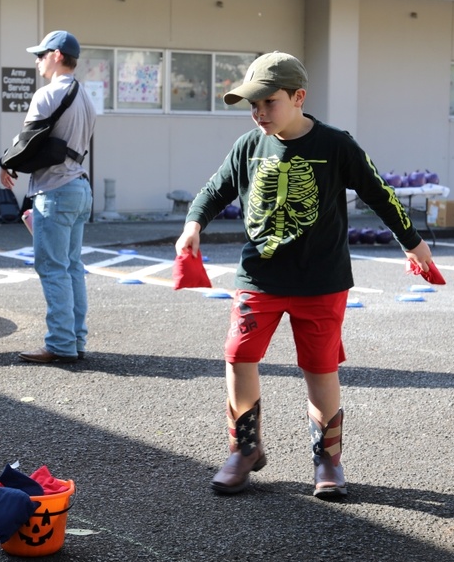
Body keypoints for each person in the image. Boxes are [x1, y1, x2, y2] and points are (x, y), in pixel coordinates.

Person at [174, 51, 434, 499]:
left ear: (298, 97)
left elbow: (378, 191)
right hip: (259, 276)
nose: (258, 114)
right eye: (252, 106)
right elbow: (216, 188)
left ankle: (328, 458)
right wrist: (193, 225)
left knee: (319, 367)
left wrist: (412, 241)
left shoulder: (335, 145)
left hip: (321, 279)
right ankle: (245, 449)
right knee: (238, 354)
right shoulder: (248, 146)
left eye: (267, 103)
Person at [0, 30, 95, 364]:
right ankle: (76, 340)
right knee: (72, 268)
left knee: (53, 268)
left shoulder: (47, 95)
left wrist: (6, 163)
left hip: (53, 189)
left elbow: (27, 140)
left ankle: (59, 344)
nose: (37, 61)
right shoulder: (85, 96)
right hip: (80, 186)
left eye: (41, 55)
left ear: (56, 55)